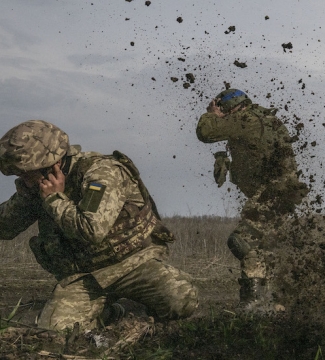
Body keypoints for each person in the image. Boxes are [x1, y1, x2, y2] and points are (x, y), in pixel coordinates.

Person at [0, 120, 198, 331]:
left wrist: (54, 200)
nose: (24, 181)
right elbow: (5, 226)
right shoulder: (38, 186)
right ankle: (113, 312)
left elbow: (92, 229)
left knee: (181, 300)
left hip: (132, 264)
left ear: (54, 165)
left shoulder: (101, 173)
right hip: (86, 277)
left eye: (27, 174)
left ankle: (134, 307)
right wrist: (29, 197)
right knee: (55, 328)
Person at [196, 88, 308, 310]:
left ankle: (255, 301)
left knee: (243, 240)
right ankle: (278, 302)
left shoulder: (246, 118)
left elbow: (206, 132)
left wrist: (211, 114)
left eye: (223, 109)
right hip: (280, 194)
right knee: (265, 248)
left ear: (231, 107)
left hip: (274, 194)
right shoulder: (264, 119)